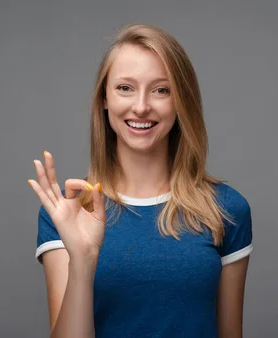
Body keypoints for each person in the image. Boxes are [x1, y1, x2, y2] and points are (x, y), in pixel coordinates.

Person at [27, 23, 253, 338]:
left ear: (180, 101)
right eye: (125, 88)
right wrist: (82, 260)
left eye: (161, 90)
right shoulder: (70, 210)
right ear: (104, 98)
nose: (142, 106)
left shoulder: (226, 209)